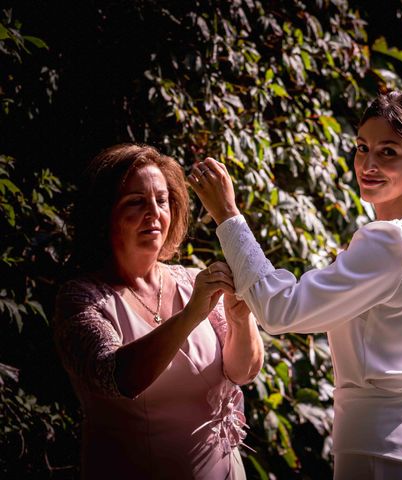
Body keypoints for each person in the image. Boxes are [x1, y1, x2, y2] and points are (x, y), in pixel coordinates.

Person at [188, 91, 402, 479]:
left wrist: (228, 216)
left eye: (388, 152)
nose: (367, 164)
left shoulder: (390, 241)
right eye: (361, 148)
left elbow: (282, 309)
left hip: (383, 454)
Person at [54, 144, 264, 480]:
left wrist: (241, 319)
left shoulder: (190, 279)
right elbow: (118, 378)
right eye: (136, 202)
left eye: (162, 200)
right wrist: (190, 315)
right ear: (105, 214)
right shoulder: (81, 298)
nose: (154, 212)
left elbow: (243, 372)